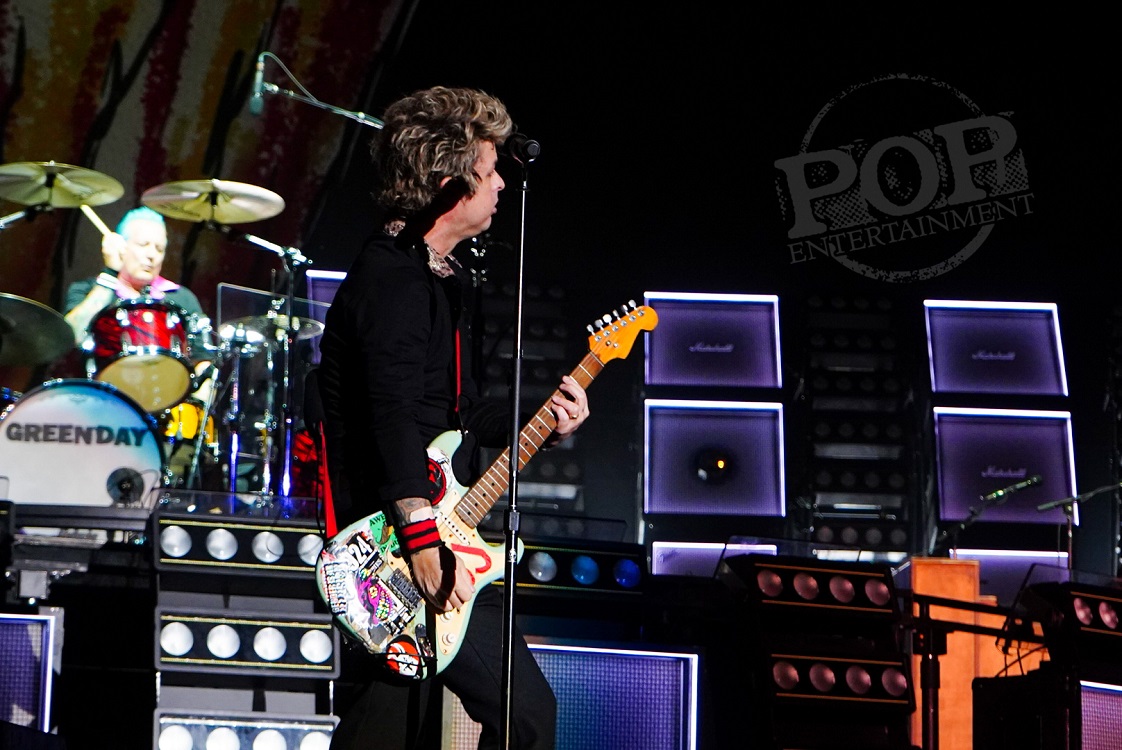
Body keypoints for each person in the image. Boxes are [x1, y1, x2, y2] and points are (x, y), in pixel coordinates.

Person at [317, 86, 589, 750]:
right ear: (448, 186)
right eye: (489, 171)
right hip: (399, 546)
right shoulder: (391, 282)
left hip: (437, 531)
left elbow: (456, 413)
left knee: (391, 730)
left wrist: (545, 418)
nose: (501, 185)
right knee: (524, 718)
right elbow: (388, 416)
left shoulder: (440, 278)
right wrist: (420, 542)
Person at [63, 205, 218, 484]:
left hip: (169, 423)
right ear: (120, 247)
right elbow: (71, 334)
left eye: (159, 248)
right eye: (143, 245)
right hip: (100, 419)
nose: (152, 255)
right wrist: (110, 274)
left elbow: (203, 360)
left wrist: (197, 407)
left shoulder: (181, 299)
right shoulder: (90, 290)